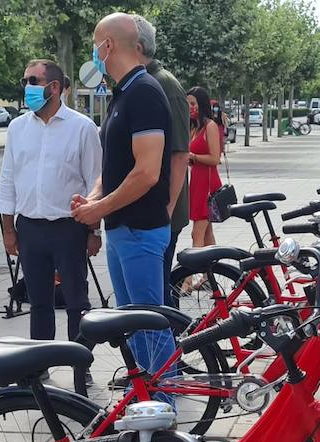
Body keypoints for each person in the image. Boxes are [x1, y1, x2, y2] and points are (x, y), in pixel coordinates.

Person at [72, 13, 176, 379]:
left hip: (139, 229)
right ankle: (147, 397)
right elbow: (114, 167)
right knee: (134, 324)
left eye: (95, 44)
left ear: (108, 45)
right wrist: (94, 198)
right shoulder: (124, 94)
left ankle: (166, 403)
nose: (94, 52)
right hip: (123, 230)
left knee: (150, 322)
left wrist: (100, 207)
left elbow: (146, 172)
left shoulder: (144, 92)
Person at [0, 58, 101, 348]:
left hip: (69, 228)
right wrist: (8, 228)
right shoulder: (18, 128)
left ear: (54, 87)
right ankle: (41, 365)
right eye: (25, 81)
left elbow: (96, 181)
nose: (26, 87)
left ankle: (81, 364)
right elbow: (8, 180)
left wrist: (94, 231)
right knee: (39, 302)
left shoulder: (82, 128)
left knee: (76, 302)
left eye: (33, 81)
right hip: (30, 228)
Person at [132, 14, 190, 307]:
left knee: (157, 300)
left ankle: (170, 351)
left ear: (137, 46)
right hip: (141, 211)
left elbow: (180, 154)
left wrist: (166, 210)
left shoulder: (163, 84)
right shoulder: (136, 84)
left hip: (160, 213)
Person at [186, 86, 223, 249]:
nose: (190, 108)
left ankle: (190, 273)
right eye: (187, 104)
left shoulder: (210, 126)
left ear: (201, 104)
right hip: (197, 181)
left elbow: (215, 158)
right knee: (207, 233)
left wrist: (193, 157)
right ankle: (211, 272)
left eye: (192, 103)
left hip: (208, 184)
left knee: (197, 233)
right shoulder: (194, 128)